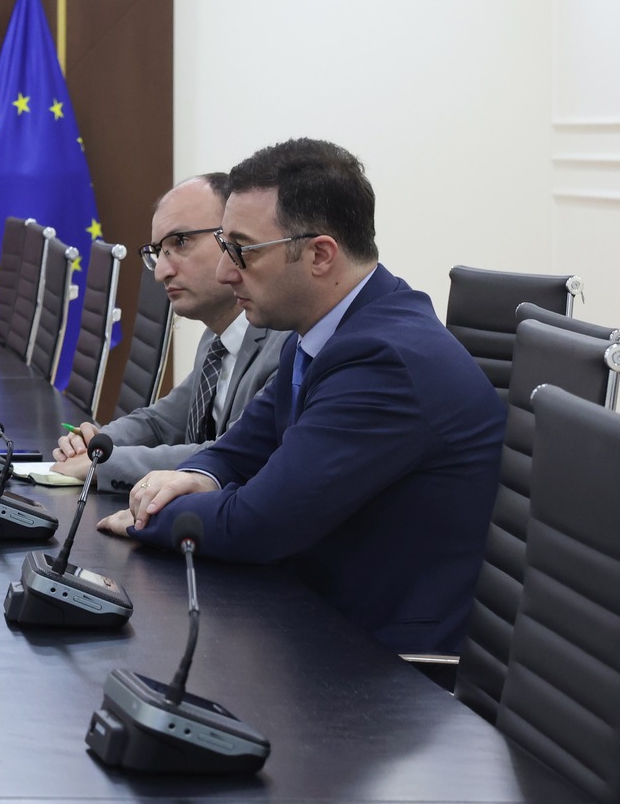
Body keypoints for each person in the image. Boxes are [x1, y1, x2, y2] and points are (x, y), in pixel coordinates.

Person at [96, 139, 503, 655]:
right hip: (309, 617)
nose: (225, 272)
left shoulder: (382, 361)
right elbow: (242, 448)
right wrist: (194, 476)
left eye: (242, 250)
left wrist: (148, 517)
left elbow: (258, 524)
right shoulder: (322, 330)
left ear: (319, 255)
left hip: (379, 664)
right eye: (224, 246)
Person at [48, 173, 287, 492]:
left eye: (181, 242)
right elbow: (161, 423)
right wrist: (97, 441)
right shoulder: (217, 338)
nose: (161, 272)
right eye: (158, 252)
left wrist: (103, 464)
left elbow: (232, 455)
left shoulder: (285, 344)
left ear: (233, 240)